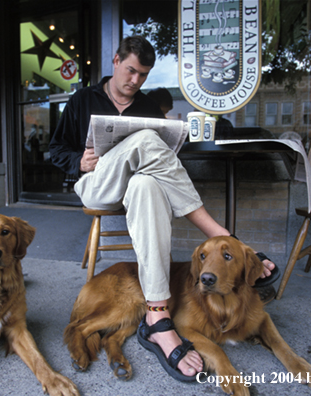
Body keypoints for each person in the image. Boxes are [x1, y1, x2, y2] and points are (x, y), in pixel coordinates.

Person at [49, 35, 275, 382]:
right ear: (115, 62)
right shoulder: (82, 99)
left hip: (135, 191)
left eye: (143, 75)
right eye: (130, 71)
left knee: (147, 183)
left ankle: (157, 316)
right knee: (146, 141)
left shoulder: (149, 107)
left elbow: (163, 164)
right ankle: (220, 234)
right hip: (97, 185)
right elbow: (55, 150)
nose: (135, 81)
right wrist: (79, 161)